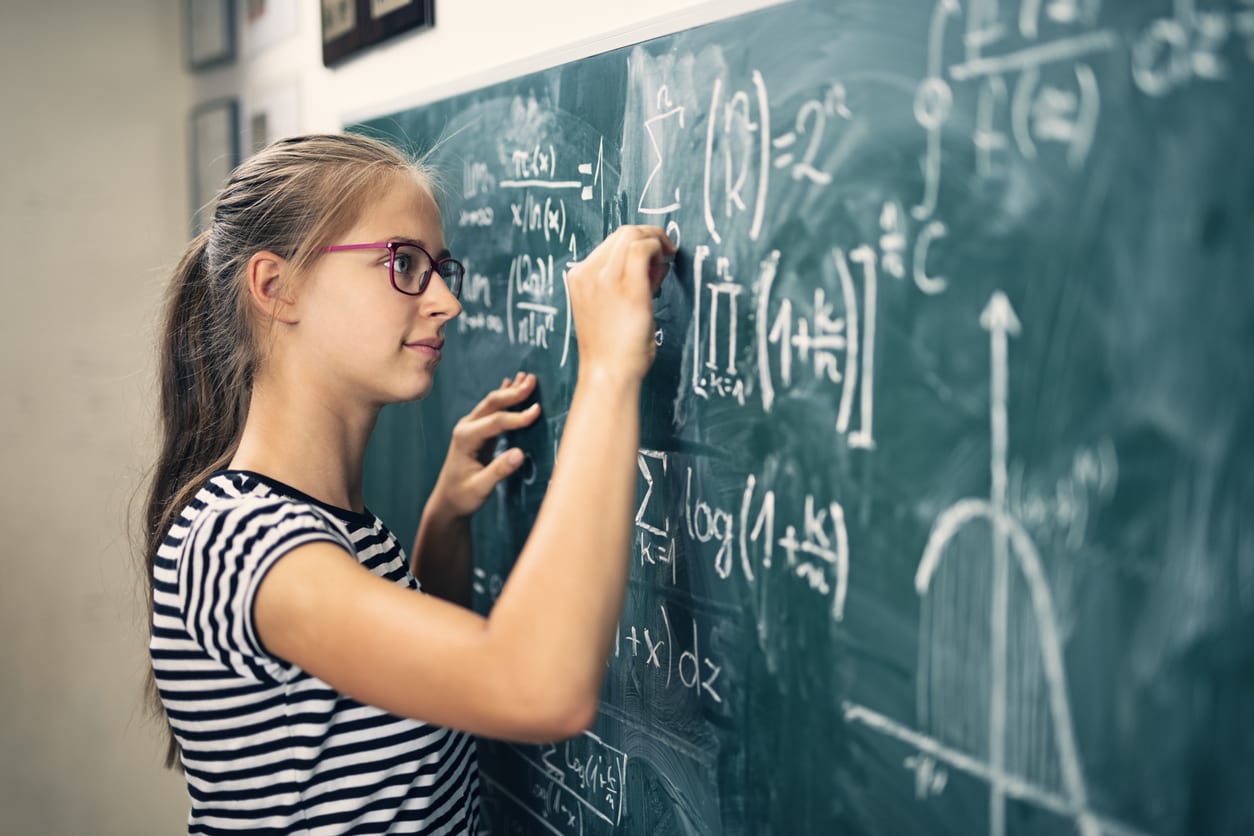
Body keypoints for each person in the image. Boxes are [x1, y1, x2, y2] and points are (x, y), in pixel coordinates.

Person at [142, 132, 675, 834]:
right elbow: (537, 689)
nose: (447, 301)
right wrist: (607, 366)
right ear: (278, 287)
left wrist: (443, 523)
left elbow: (397, 695)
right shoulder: (241, 539)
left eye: (439, 266)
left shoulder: (331, 528)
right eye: (403, 263)